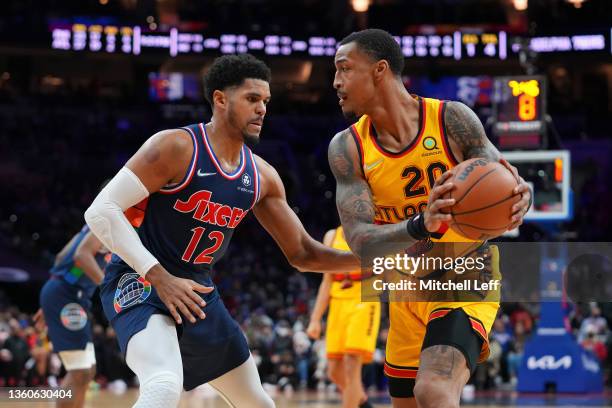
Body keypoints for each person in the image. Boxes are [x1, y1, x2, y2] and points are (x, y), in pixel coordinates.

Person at [84, 53, 358, 408]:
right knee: (164, 385)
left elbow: (304, 253)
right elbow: (101, 210)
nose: (262, 109)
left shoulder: (261, 176)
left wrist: (376, 259)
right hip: (140, 280)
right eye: (252, 99)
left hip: (197, 291)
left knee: (260, 404)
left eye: (266, 101)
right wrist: (159, 276)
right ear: (220, 98)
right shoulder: (176, 147)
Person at [327, 29, 532, 408]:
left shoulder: (451, 118)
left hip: (466, 272)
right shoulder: (347, 147)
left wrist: (522, 196)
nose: (336, 82)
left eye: (344, 69)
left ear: (379, 70)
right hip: (406, 288)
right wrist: (422, 222)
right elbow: (359, 240)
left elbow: (503, 178)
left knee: (434, 390)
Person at [307, 226, 380, 408]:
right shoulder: (332, 235)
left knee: (351, 364)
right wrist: (315, 319)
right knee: (333, 371)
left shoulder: (374, 231)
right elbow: (326, 281)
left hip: (365, 296)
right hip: (338, 300)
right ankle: (363, 403)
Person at [36, 225, 108, 408]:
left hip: (68, 294)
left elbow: (62, 257)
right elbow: (81, 257)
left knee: (88, 371)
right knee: (80, 371)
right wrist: (109, 288)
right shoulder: (109, 221)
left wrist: (50, 300)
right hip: (66, 296)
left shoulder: (93, 225)